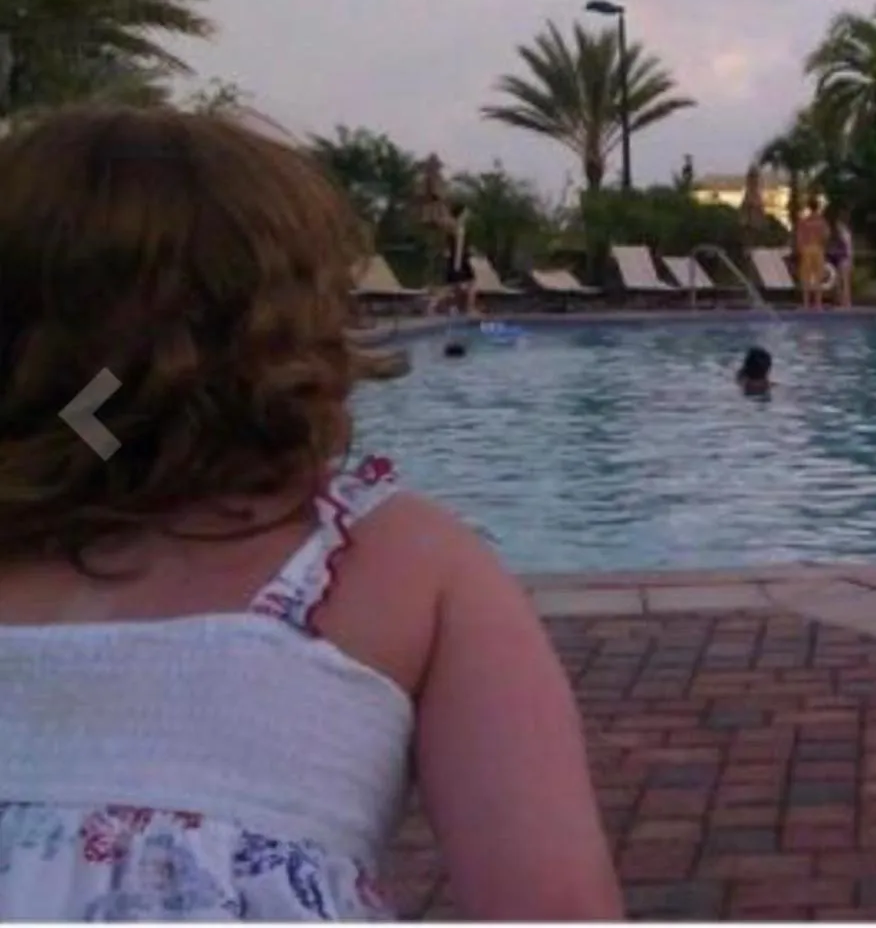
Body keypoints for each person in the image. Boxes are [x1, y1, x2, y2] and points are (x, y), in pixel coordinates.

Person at [0, 107, 619, 920]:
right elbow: (553, 907)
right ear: (293, 318)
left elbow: (94, 416)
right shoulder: (400, 564)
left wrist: (79, 415)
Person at [438, 203, 478, 317]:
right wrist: (457, 264)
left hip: (458, 259)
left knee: (455, 287)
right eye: (466, 213)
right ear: (461, 215)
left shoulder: (453, 227)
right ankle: (469, 309)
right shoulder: (458, 228)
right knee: (470, 284)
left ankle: (453, 308)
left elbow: (453, 245)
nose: (468, 215)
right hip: (459, 260)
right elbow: (458, 247)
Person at [794, 199, 830, 311]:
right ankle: (818, 304)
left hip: (807, 249)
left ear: (809, 207)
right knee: (818, 278)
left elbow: (799, 237)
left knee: (806, 278)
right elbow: (826, 235)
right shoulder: (822, 221)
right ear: (818, 207)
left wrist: (800, 249)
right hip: (818, 249)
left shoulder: (804, 221)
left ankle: (806, 304)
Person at [825, 210, 854, 310]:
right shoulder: (839, 232)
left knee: (844, 282)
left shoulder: (844, 232)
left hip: (844, 258)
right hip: (840, 258)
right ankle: (842, 302)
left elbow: (848, 248)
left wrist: (850, 260)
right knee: (839, 282)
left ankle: (846, 303)